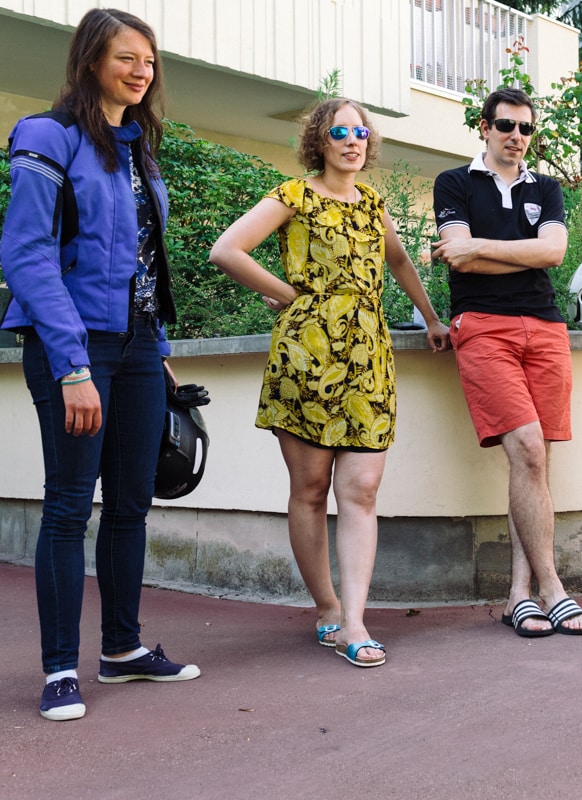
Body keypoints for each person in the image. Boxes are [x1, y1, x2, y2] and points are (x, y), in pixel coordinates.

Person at [0, 8, 202, 721]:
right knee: (66, 506)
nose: (142, 70)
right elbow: (26, 254)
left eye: (149, 59)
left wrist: (163, 355)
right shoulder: (45, 137)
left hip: (141, 346)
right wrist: (72, 365)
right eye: (126, 57)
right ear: (90, 61)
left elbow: (144, 266)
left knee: (129, 506)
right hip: (73, 345)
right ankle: (59, 669)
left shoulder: (138, 148)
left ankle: (122, 651)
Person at [209, 98, 450, 666]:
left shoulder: (372, 202)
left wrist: (431, 316)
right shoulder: (293, 195)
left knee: (362, 490)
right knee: (311, 491)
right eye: (340, 130)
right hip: (307, 355)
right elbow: (228, 249)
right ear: (320, 140)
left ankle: (356, 621)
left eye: (361, 131)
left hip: (368, 356)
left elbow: (399, 262)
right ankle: (326, 609)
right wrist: (289, 293)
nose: (352, 140)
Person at [431, 87, 582, 637]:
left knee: (535, 463)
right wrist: (506, 253)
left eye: (525, 129)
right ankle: (554, 588)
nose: (516, 137)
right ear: (484, 127)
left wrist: (479, 249)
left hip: (546, 328)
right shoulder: (454, 183)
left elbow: (552, 254)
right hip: (483, 328)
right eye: (505, 126)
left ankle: (518, 596)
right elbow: (460, 257)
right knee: (526, 449)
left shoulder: (545, 188)